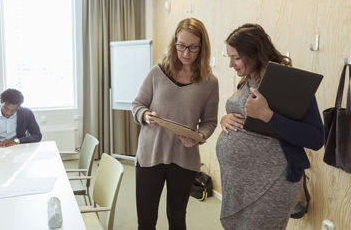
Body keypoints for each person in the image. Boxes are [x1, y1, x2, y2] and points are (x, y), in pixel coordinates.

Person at [216, 23, 325, 229]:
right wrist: (225, 119)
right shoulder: (247, 79)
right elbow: (245, 117)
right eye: (228, 57)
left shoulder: (288, 83)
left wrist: (268, 116)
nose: (231, 64)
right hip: (240, 183)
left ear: (255, 53)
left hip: (270, 185)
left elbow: (316, 138)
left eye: (236, 57)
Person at [132, 17, 219, 230]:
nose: (186, 53)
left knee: (177, 218)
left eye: (193, 48)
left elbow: (209, 122)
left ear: (203, 47)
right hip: (150, 155)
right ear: (174, 42)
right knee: (146, 220)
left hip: (184, 158)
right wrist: (145, 115)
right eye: (181, 46)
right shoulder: (157, 72)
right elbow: (137, 105)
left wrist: (199, 137)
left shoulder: (209, 82)